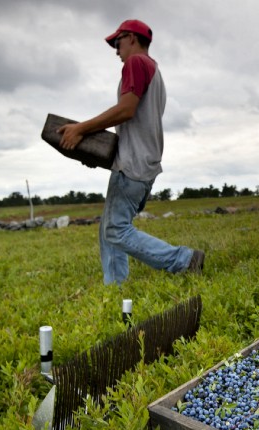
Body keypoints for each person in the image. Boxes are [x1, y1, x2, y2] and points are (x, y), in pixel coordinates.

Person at [57, 19, 204, 285]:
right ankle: (115, 284)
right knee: (109, 228)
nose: (115, 49)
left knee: (116, 229)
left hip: (133, 164)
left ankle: (183, 260)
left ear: (132, 38)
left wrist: (81, 129)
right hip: (140, 160)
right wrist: (97, 152)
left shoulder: (136, 63)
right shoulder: (153, 70)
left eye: (118, 41)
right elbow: (134, 124)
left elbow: (126, 110)